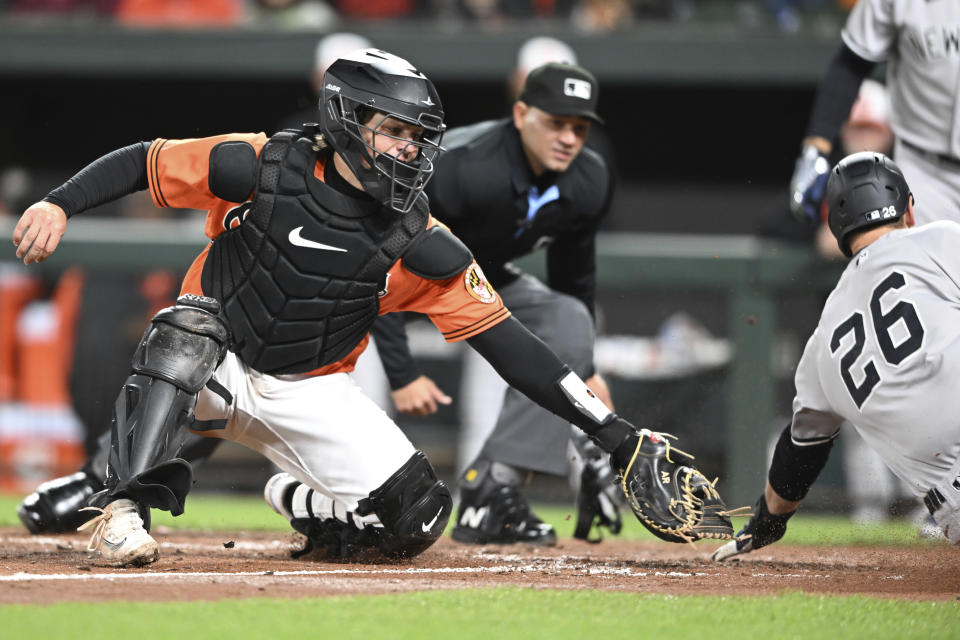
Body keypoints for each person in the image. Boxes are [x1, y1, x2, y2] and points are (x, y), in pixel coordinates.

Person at [11, 48, 658, 566]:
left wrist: (615, 434)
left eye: (419, 137)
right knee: (185, 324)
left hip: (313, 388)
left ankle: (297, 495)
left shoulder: (423, 242)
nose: (412, 150)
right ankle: (122, 512)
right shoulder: (257, 165)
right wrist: (58, 203)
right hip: (219, 365)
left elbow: (512, 346)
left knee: (418, 522)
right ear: (347, 120)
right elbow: (142, 161)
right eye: (397, 133)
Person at [367, 61, 619, 547]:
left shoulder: (589, 177)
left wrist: (584, 368)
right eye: (556, 122)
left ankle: (491, 491)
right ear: (522, 113)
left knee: (566, 318)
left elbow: (574, 279)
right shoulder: (464, 164)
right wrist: (402, 373)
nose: (569, 137)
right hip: (386, 274)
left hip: (475, 278)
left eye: (579, 127)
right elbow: (381, 258)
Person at [713, 151, 960, 561]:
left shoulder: (821, 344)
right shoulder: (939, 240)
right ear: (909, 209)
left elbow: (799, 455)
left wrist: (766, 523)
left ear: (839, 231)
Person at [789, 0, 960, 228]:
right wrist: (815, 150)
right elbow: (852, 62)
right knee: (918, 260)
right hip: (925, 172)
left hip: (924, 167)